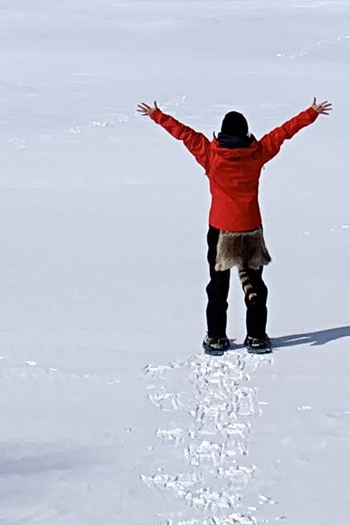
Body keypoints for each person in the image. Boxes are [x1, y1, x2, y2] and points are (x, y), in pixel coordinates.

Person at [137, 96, 330, 353]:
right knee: (255, 285)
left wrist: (157, 115)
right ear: (246, 134)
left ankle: (216, 338)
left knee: (218, 286)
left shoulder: (210, 154)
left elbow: (184, 134)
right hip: (250, 228)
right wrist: (311, 113)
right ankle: (257, 337)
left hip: (220, 229)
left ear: (222, 134)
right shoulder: (257, 154)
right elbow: (283, 133)